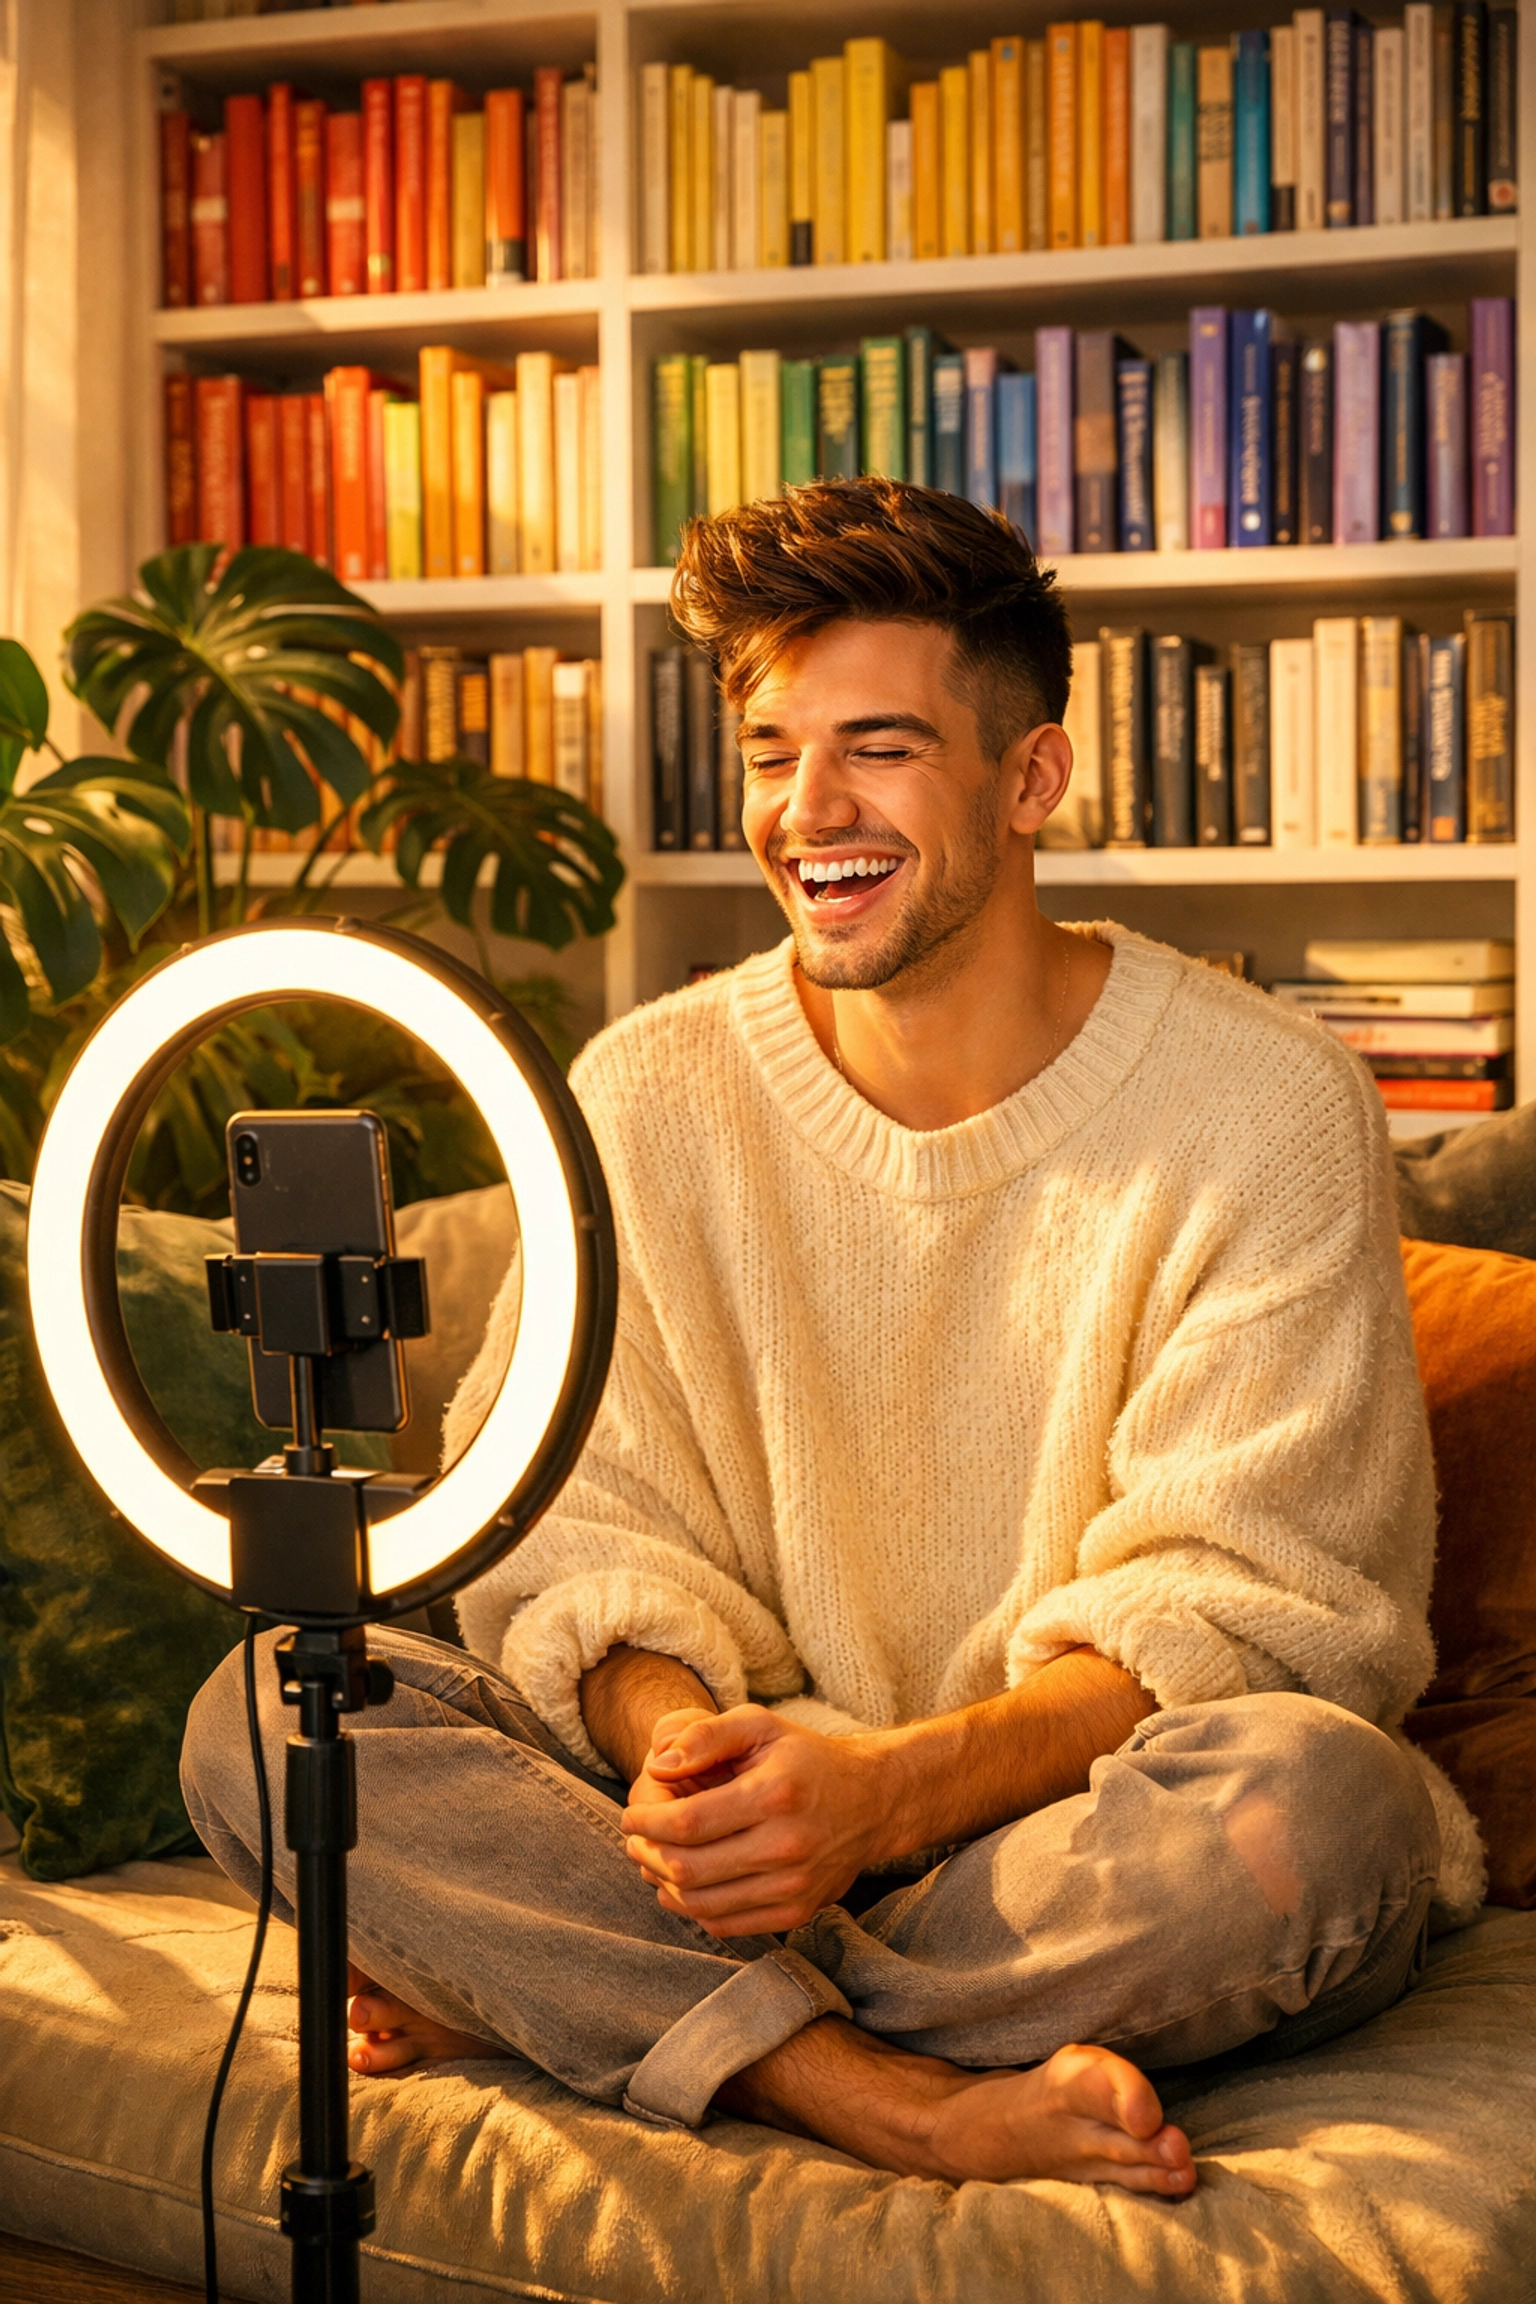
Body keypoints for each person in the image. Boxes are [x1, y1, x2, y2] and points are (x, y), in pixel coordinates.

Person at [183, 481, 1480, 2197]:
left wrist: (881, 1797)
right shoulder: (647, 1093)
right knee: (267, 1709)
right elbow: (580, 1536)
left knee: (1327, 1815)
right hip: (720, 1838)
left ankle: (610, 2004)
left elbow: (1257, 1608)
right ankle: (890, 2097)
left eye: (878, 747)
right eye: (775, 748)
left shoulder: (1265, 1104)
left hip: (1050, 1848)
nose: (810, 811)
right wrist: (697, 1772)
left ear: (1031, 778)